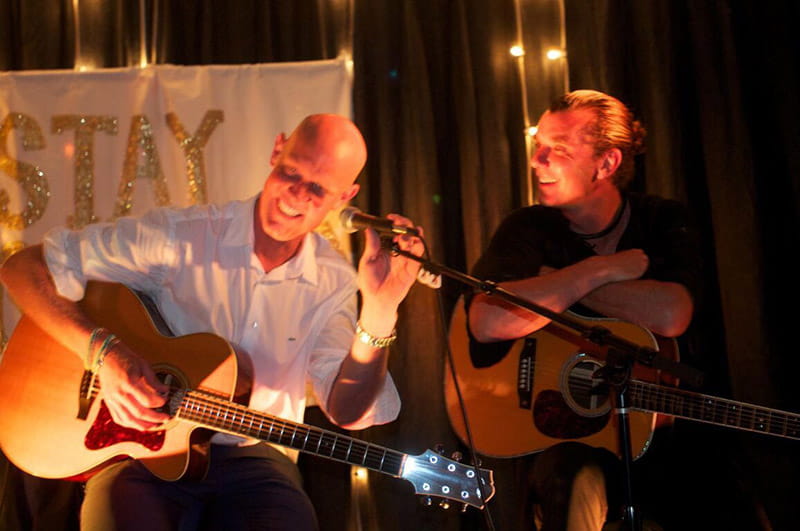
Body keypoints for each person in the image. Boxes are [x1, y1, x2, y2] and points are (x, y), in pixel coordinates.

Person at [0, 113, 424, 531]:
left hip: (256, 462)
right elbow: (22, 269)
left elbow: (347, 411)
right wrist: (104, 355)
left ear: (344, 197)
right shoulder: (179, 236)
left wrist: (382, 308)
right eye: (289, 172)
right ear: (276, 151)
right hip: (142, 458)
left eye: (316, 188)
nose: (295, 194)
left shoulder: (332, 282)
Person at [465, 90, 701, 530]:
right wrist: (598, 271)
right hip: (563, 441)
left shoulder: (662, 219)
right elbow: (487, 319)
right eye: (538, 146)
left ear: (607, 163)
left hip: (666, 445)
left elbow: (671, 315)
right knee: (566, 479)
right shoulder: (527, 226)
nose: (538, 160)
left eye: (558, 150)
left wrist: (553, 285)